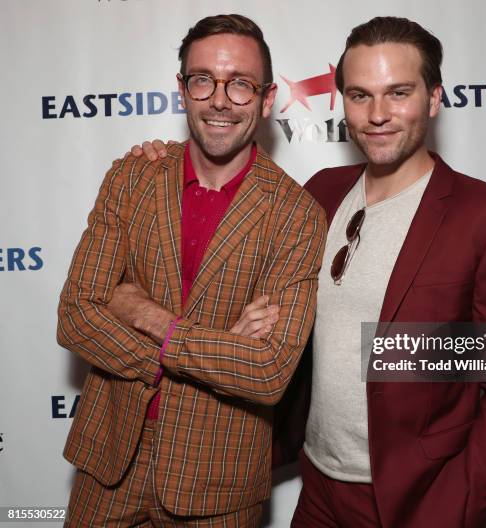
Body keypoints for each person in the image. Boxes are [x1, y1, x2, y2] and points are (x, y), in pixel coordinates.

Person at [134, 16, 486, 528]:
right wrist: (165, 160)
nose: (377, 114)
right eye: (359, 95)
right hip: (318, 488)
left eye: (399, 93)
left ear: (434, 99)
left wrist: (461, 508)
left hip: (416, 499)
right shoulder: (322, 192)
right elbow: (235, 183)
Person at [56, 14, 326, 527]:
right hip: (109, 460)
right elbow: (74, 315)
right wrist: (217, 346)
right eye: (204, 79)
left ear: (267, 100)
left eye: (241, 85)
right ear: (182, 90)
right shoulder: (132, 175)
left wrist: (144, 314)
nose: (220, 100)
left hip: (218, 479)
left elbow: (267, 372)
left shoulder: (297, 215)